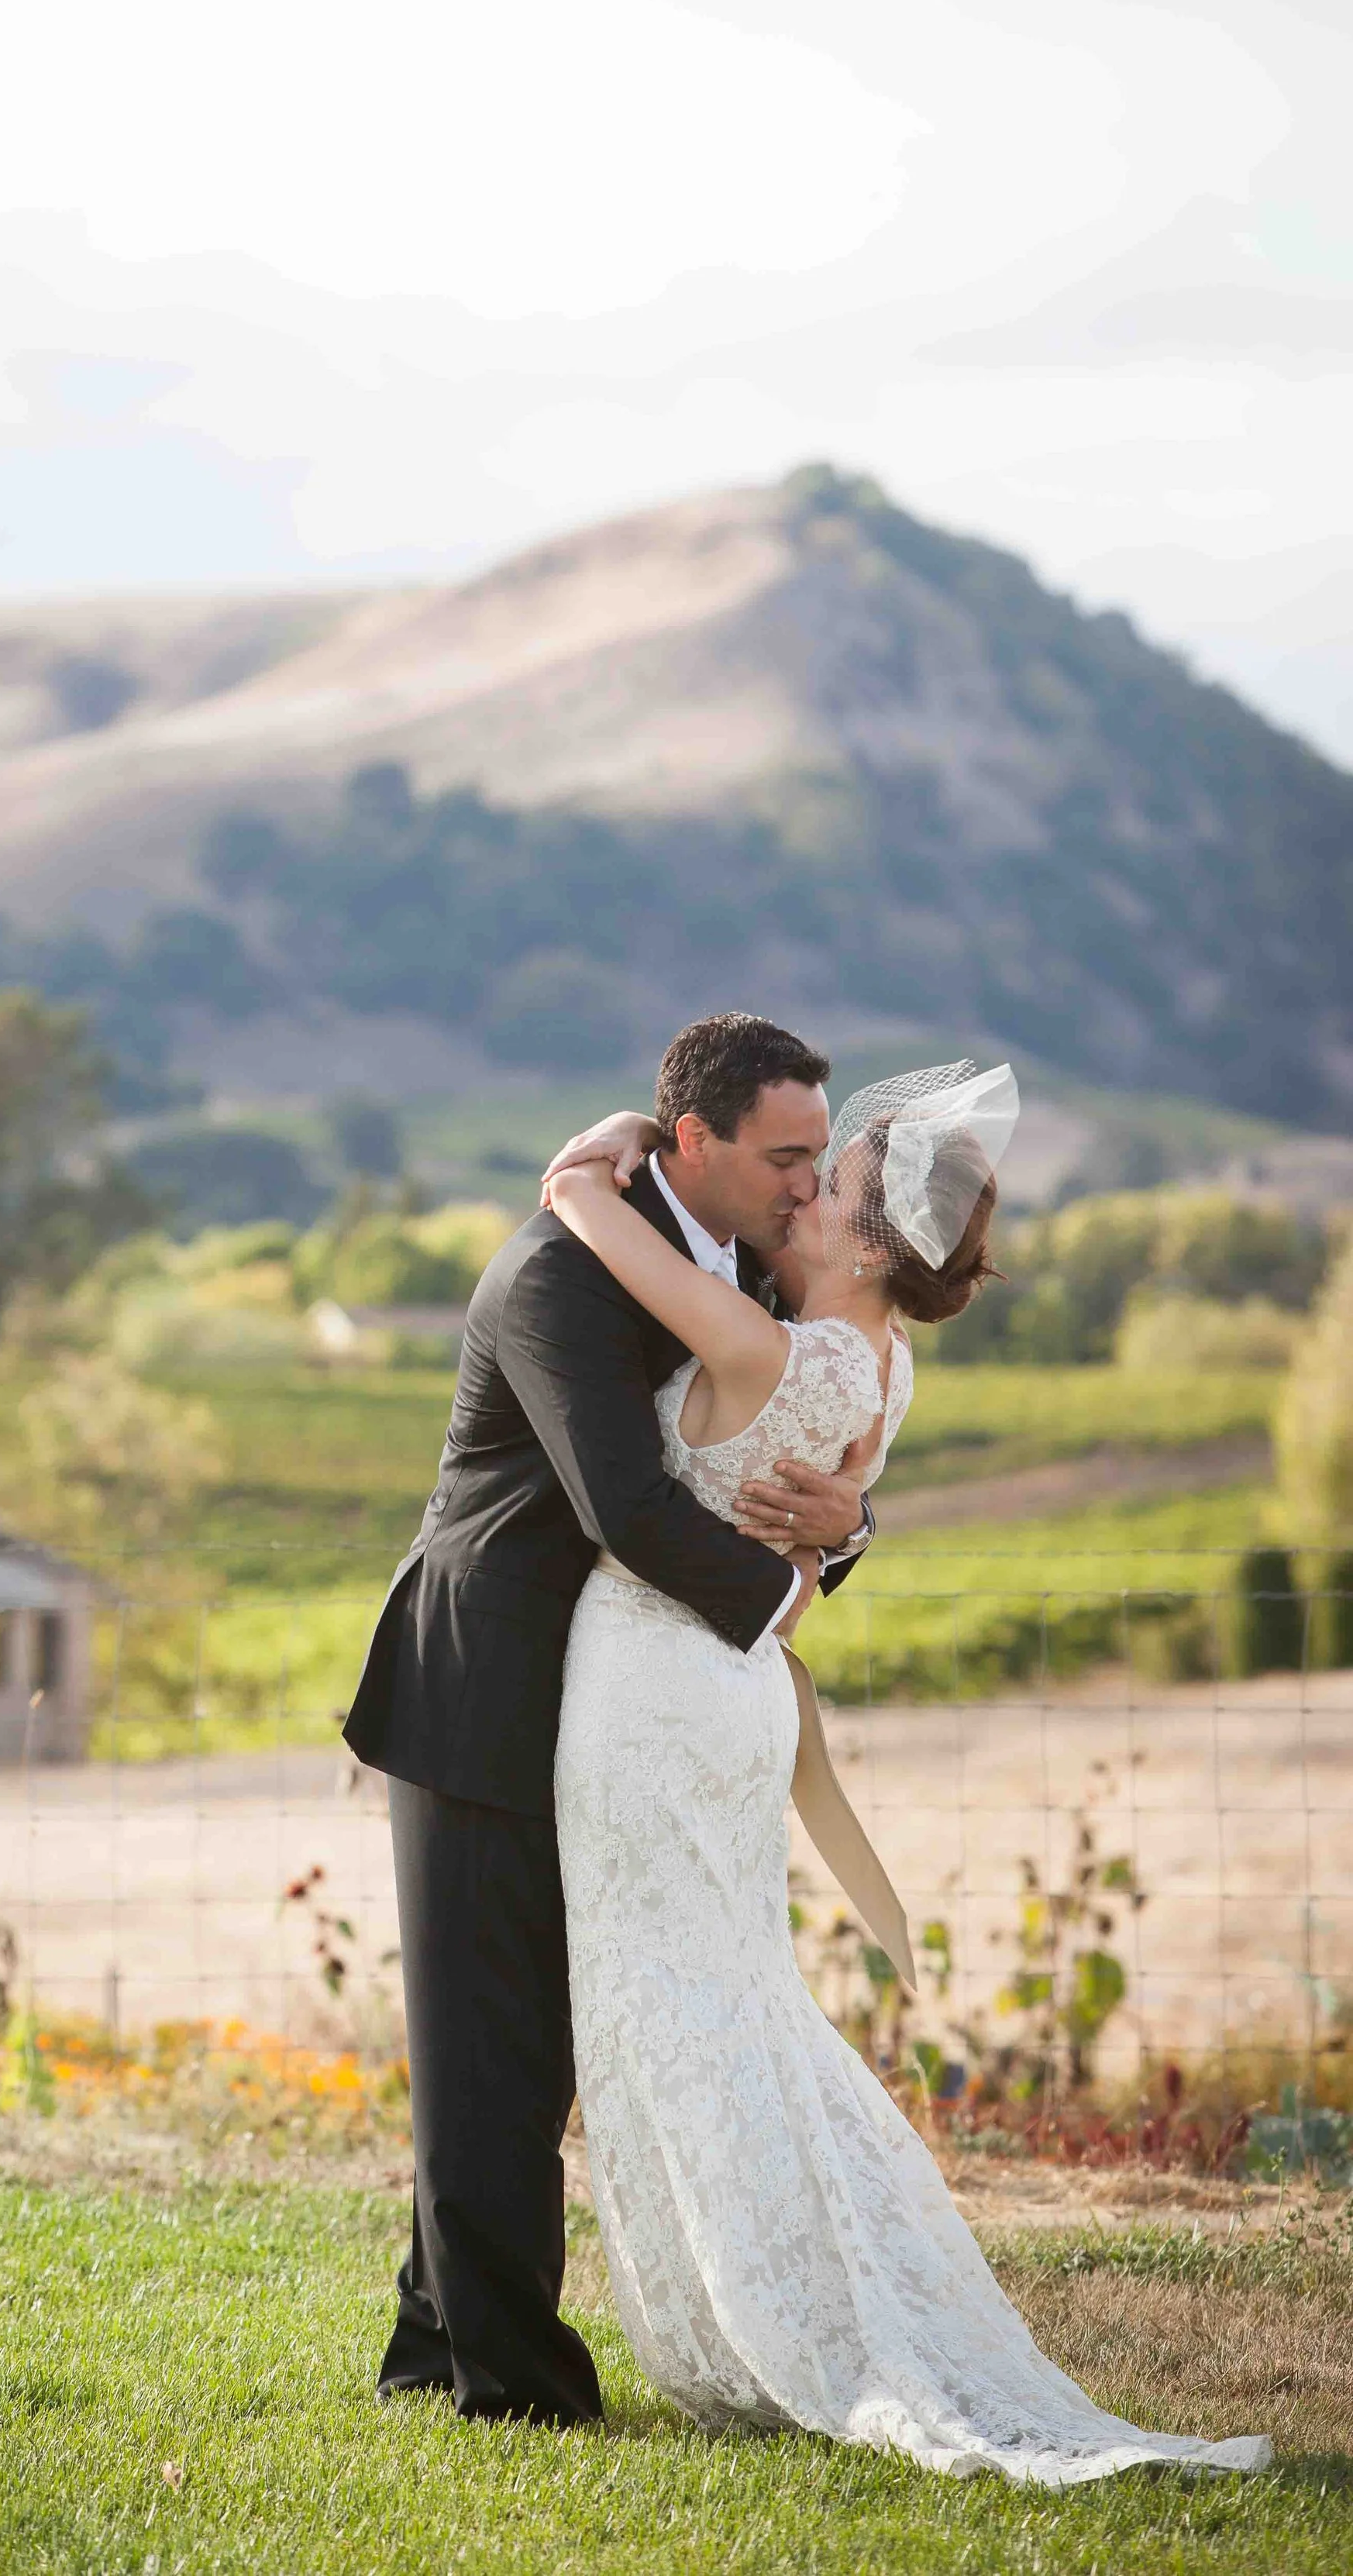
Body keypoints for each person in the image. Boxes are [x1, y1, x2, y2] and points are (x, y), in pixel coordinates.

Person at [539, 1057, 1270, 2481]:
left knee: (664, 2002)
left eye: (837, 1182)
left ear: (874, 1237)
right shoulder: (887, 1370)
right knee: (733, 1997)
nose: (808, 1190)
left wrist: (621, 1141)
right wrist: (837, 1528)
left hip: (650, 1695)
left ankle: (749, 2320)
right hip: (738, 1695)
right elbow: (802, 1575)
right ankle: (799, 2291)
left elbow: (574, 1202)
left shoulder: (769, 1354)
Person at [343, 1013, 876, 2426]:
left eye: (819, 1158)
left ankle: (429, 2346)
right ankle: (515, 2390)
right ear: (690, 1141)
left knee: (542, 2045)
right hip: (485, 1680)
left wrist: (847, 1524)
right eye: (783, 1157)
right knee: (485, 2051)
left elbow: (769, 1448)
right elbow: (627, 1506)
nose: (807, 1190)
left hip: (609, 1704)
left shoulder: (738, 1251)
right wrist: (782, 1608)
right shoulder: (556, 1273)